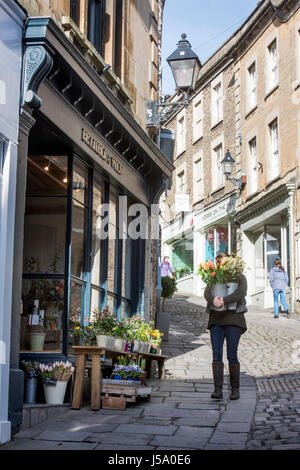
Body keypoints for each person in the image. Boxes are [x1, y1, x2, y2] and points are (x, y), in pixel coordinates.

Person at [204, 252, 247, 401]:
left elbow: (242, 292)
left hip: (234, 320)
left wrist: (225, 300)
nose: (220, 265)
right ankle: (218, 389)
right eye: (218, 262)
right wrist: (213, 300)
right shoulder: (214, 276)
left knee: (232, 355)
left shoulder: (239, 276)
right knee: (216, 354)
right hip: (216, 320)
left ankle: (235, 389)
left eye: (222, 262)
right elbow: (207, 292)